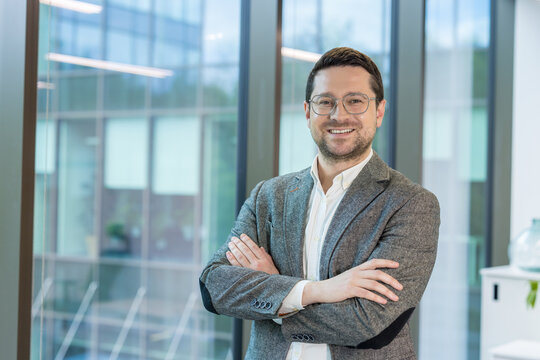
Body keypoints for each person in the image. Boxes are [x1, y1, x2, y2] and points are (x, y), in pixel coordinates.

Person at [199, 47, 440, 360]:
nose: (338, 115)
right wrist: (318, 290)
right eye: (325, 102)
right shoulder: (269, 196)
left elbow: (368, 323)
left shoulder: (411, 204)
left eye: (355, 101)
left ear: (379, 112)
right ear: (307, 111)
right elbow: (215, 285)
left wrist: (274, 293)